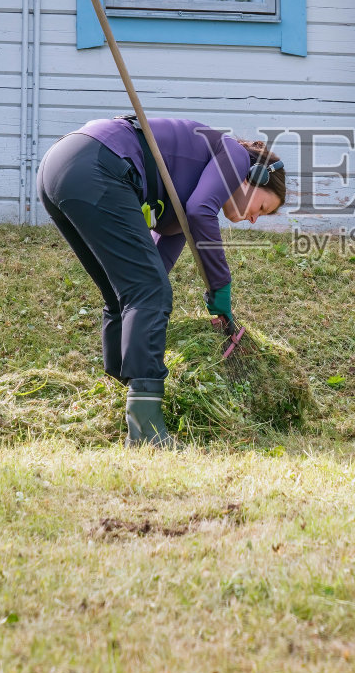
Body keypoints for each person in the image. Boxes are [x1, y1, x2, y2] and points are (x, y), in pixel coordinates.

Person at [37, 116, 286, 447]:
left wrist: (210, 297)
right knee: (146, 291)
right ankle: (146, 430)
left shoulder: (182, 196)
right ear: (255, 177)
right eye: (263, 206)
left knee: (124, 294)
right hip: (98, 162)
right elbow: (201, 211)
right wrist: (220, 286)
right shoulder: (236, 155)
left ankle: (118, 397)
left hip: (60, 167)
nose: (254, 219)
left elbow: (155, 268)